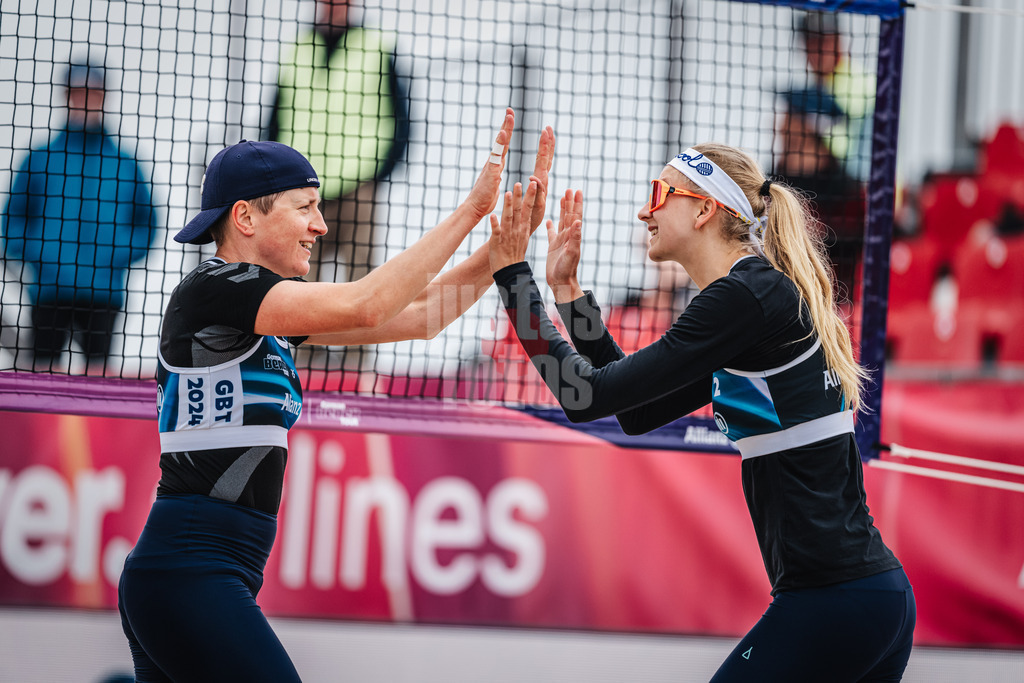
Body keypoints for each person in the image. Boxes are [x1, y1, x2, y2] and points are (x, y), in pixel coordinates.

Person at [117, 109, 554, 682]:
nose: (321, 226)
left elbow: (422, 318)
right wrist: (473, 212)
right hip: (189, 568)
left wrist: (501, 252)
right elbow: (366, 303)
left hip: (201, 570)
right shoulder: (216, 288)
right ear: (245, 217)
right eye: (306, 207)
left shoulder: (268, 311)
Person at [489, 145, 915, 681]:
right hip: (863, 599)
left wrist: (513, 281)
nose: (646, 212)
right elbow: (634, 414)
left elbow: (585, 397)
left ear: (703, 209)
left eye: (658, 194)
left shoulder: (746, 299)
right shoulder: (752, 301)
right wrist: (568, 295)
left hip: (833, 603)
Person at [0, 57, 159, 372]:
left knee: (99, 384)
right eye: (79, 93)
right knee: (42, 379)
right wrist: (42, 252)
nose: (86, 100)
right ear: (66, 97)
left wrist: (116, 252)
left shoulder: (125, 164)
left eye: (93, 94)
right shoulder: (40, 159)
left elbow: (148, 225)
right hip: (49, 292)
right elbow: (11, 221)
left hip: (104, 294)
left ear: (103, 98)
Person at [266, 0, 409, 286]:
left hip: (359, 188)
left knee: (362, 284)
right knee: (299, 281)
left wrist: (379, 176)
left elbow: (401, 119)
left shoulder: (377, 46)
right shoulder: (297, 49)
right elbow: (274, 121)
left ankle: (357, 334)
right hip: (302, 191)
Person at [774, 86, 866, 302]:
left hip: (832, 304)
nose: (779, 125)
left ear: (807, 126)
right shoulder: (771, 183)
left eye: (790, 116)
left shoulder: (847, 192)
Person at [797, 10, 875, 183]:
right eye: (811, 42)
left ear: (838, 41)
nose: (817, 50)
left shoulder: (863, 83)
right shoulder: (814, 88)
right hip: (830, 189)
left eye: (824, 41)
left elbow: (848, 155)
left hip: (865, 190)